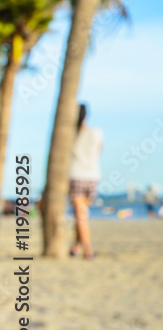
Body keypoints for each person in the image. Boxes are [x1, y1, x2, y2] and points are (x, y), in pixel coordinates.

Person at [68, 103, 102, 259]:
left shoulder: (70, 135)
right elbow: (98, 151)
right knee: (81, 214)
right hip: (93, 176)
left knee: (81, 216)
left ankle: (88, 250)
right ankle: (76, 246)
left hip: (76, 175)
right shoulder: (96, 133)